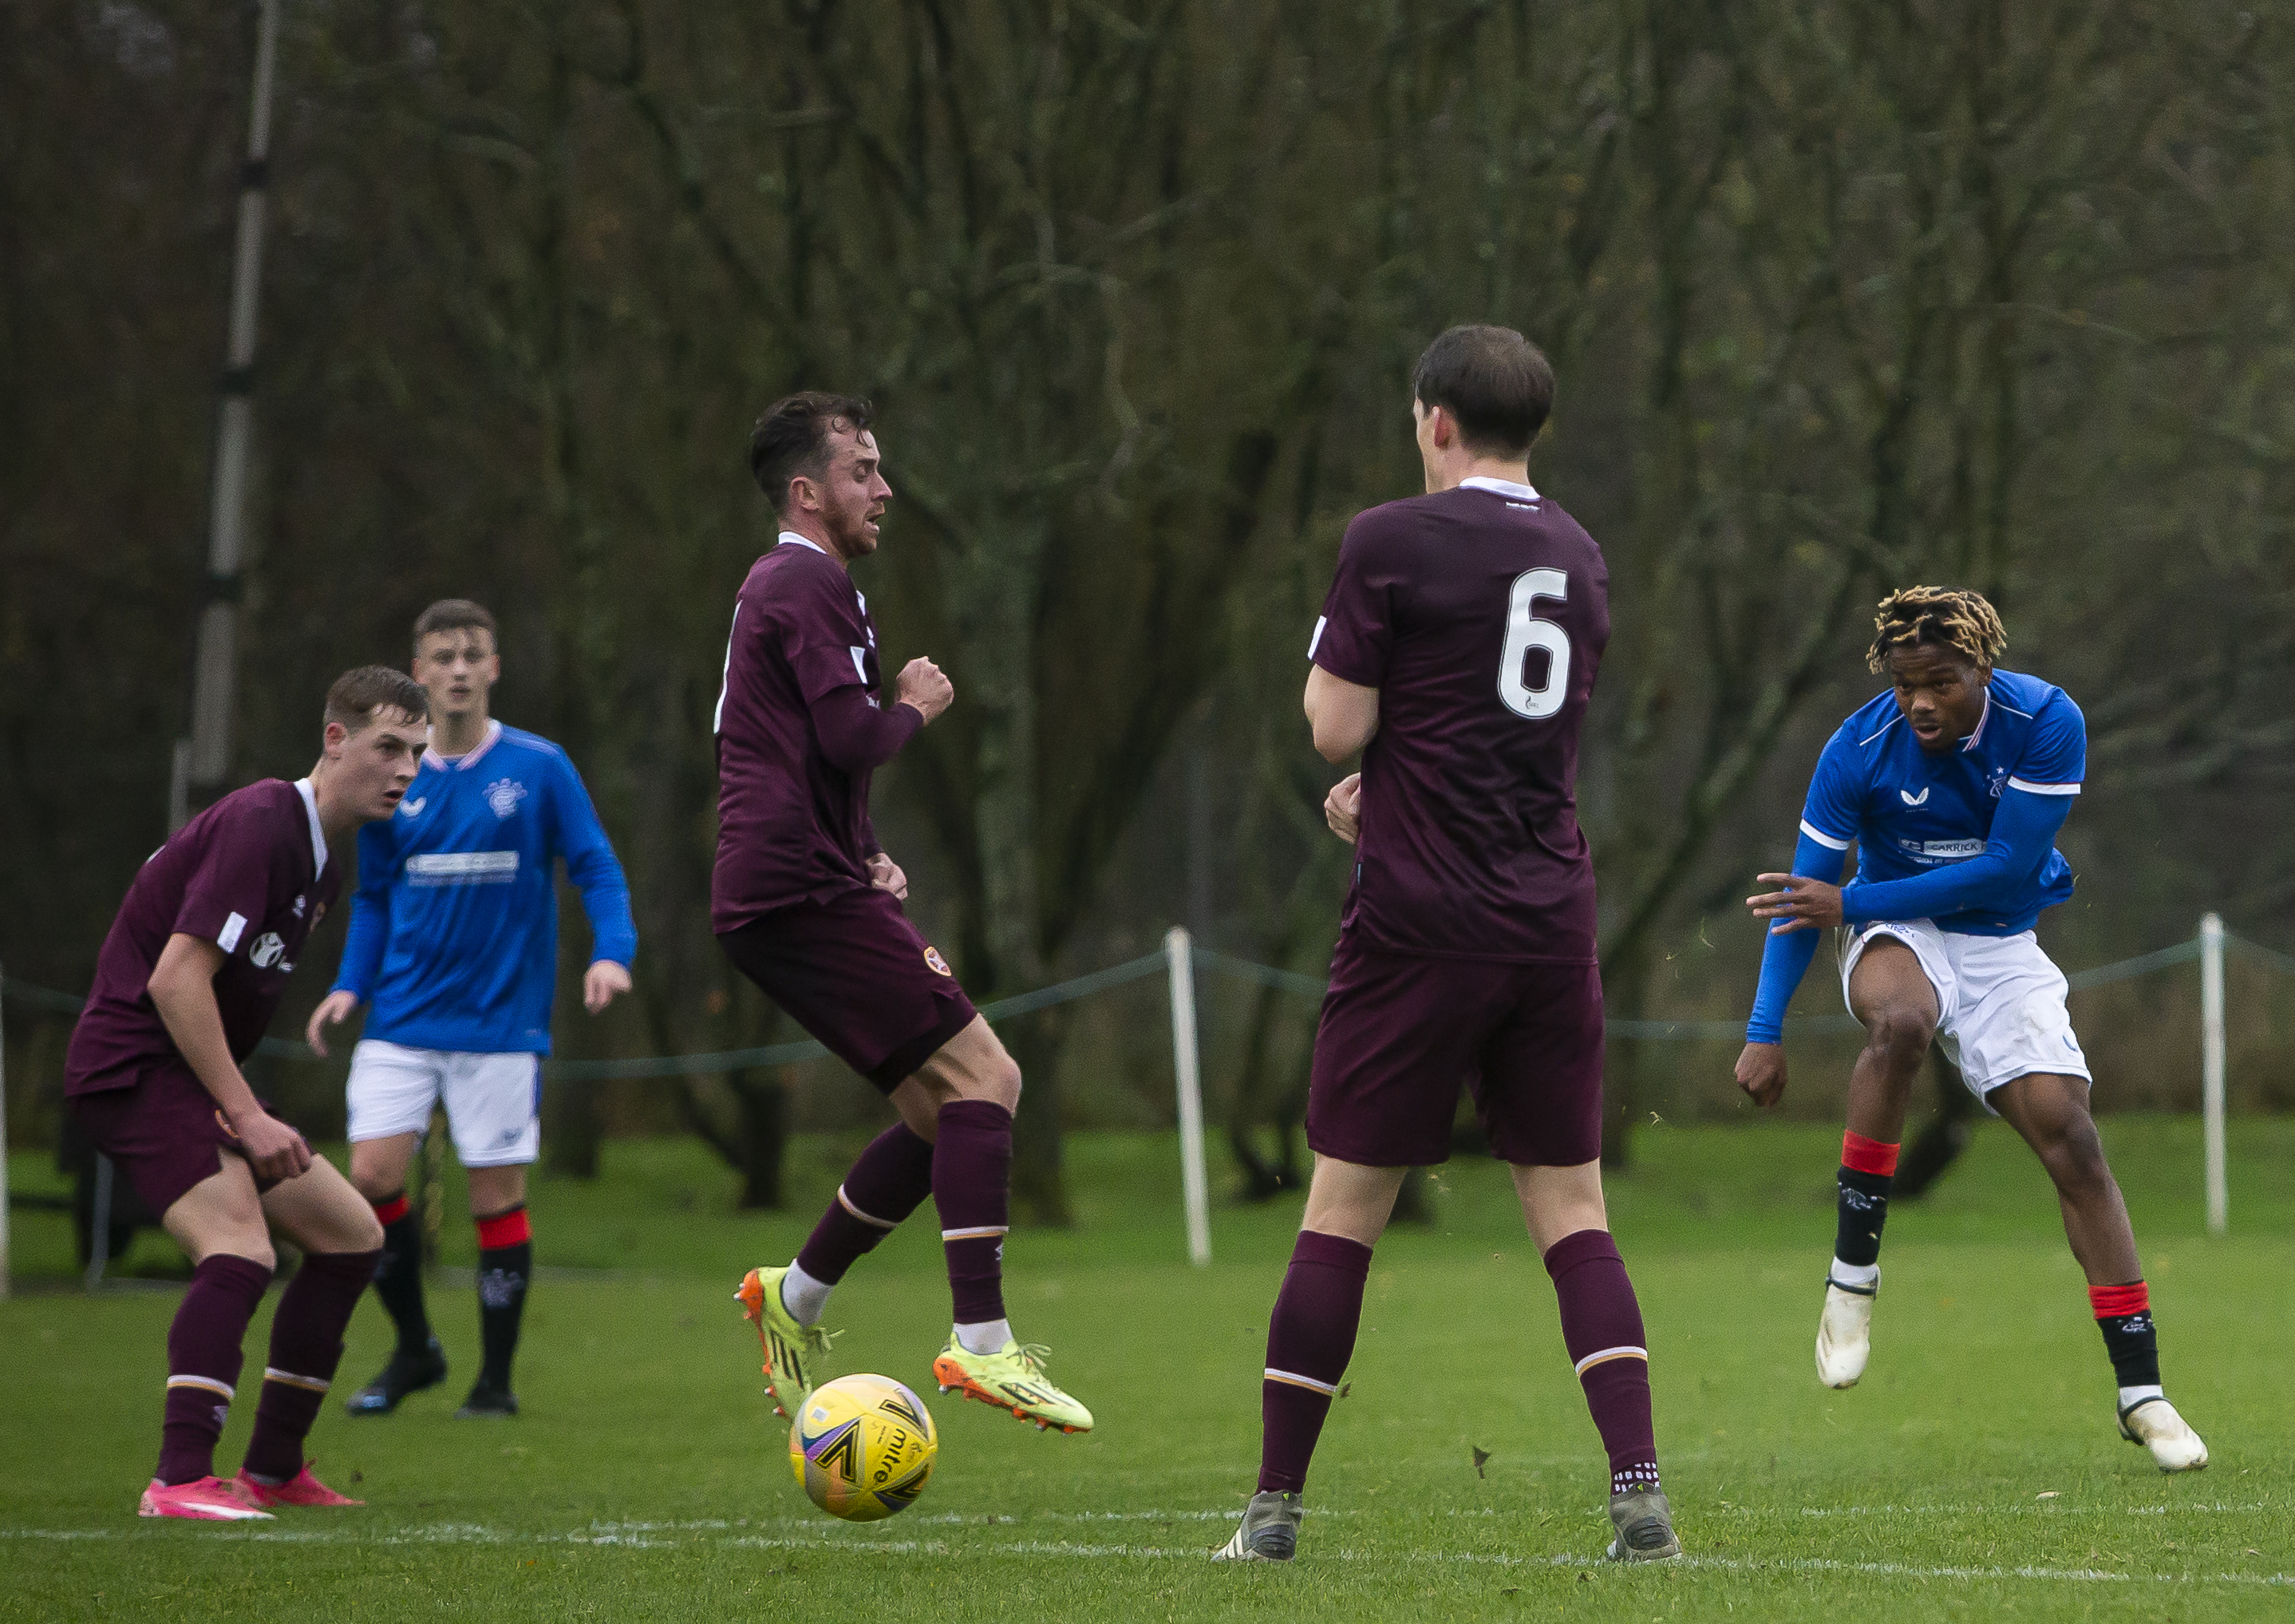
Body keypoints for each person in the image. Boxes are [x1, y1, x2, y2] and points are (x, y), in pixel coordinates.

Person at [1215, 326, 1679, 1565]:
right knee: (1574, 1208)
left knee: (1343, 1209)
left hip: (1419, 923)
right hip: (1546, 918)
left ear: (1434, 420)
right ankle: (1639, 1491)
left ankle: (1272, 1510)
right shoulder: (1581, 554)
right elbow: (1511, 736)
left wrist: (1378, 782)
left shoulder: (1390, 538)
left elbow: (1332, 723)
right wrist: (1407, 778)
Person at [1735, 585, 2207, 1473]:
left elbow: (2005, 867)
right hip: (1896, 932)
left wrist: (1854, 898)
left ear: (1980, 670)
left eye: (1940, 682)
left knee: (2070, 1138)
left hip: (1996, 935)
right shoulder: (1855, 748)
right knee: (1902, 1022)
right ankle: (1852, 1276)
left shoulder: (2044, 720)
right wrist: (1765, 1030)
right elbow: (1805, 901)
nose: (1918, 700)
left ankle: (2139, 1389)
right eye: (1904, 681)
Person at [717, 391, 1091, 1436]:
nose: (884, 489)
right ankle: (982, 1345)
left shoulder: (795, 583)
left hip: (793, 880)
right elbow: (849, 738)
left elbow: (789, 748)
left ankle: (791, 1298)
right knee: (991, 1078)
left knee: (942, 1111)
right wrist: (914, 706)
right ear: (807, 490)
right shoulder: (805, 577)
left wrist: (860, 848)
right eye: (862, 470)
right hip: (793, 886)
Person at [65, 667, 429, 1520]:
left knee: (349, 1236)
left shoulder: (320, 862)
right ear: (334, 739)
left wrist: (235, 1105)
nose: (405, 769)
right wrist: (248, 1111)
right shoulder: (264, 822)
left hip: (186, 1074)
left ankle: (272, 1467)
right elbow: (175, 981)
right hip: (133, 1068)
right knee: (240, 1247)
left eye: (416, 752)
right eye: (386, 747)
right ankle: (180, 1476)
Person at [306, 600, 637, 1420]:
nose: (457, 668)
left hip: (499, 1023)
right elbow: (376, 896)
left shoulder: (538, 766)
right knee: (371, 1181)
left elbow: (595, 865)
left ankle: (494, 1381)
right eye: (443, 655)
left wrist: (611, 952)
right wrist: (350, 982)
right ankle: (416, 1347)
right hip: (401, 1017)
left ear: (494, 667)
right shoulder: (396, 773)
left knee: (495, 1197)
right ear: (418, 671)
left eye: (473, 654)